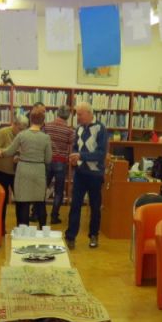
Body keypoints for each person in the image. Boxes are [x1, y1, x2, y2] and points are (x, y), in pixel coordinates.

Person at [65, 103, 109, 250]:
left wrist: (81, 156)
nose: (77, 117)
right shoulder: (78, 129)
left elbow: (101, 154)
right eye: (77, 114)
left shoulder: (101, 129)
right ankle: (70, 237)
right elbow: (75, 148)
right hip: (80, 173)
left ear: (89, 113)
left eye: (80, 114)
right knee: (75, 205)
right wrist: (74, 158)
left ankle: (94, 235)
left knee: (95, 207)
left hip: (95, 174)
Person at [2, 108, 52, 228]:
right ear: (43, 122)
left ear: (30, 120)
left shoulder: (22, 135)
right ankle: (43, 229)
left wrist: (0, 152)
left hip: (23, 170)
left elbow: (9, 152)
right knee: (40, 202)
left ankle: (24, 232)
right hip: (39, 171)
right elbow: (48, 159)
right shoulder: (46, 138)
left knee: (24, 202)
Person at [0, 115, 25, 222]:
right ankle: (1, 228)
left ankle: (21, 227)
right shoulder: (3, 132)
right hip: (2, 171)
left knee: (21, 201)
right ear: (14, 124)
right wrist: (5, 152)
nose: (21, 132)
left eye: (24, 129)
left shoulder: (24, 136)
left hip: (17, 173)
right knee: (2, 201)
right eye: (20, 129)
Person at [43, 106, 75, 224]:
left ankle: (37, 213)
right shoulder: (69, 130)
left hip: (47, 160)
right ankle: (54, 216)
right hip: (61, 161)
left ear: (57, 113)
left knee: (42, 188)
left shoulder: (47, 126)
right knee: (59, 191)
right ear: (68, 116)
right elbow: (72, 146)